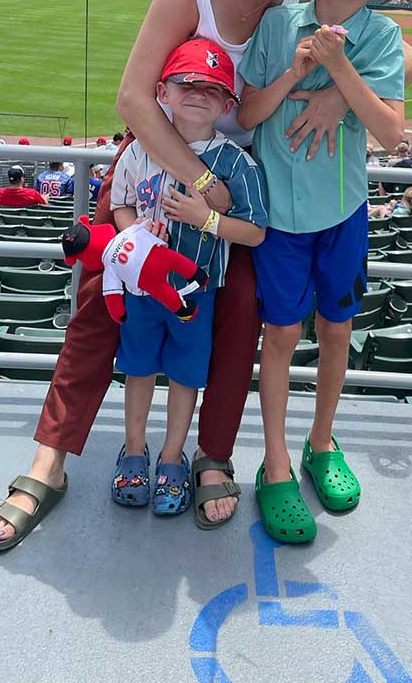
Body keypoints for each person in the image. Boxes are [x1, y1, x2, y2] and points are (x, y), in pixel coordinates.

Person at [0, 0, 412, 548]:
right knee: (104, 297)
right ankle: (52, 460)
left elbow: (409, 58)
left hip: (243, 192)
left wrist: (340, 91)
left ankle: (212, 457)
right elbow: (133, 98)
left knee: (242, 309)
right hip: (160, 167)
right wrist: (197, 182)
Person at [238, 0, 405, 543]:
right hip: (281, 218)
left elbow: (391, 133)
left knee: (337, 331)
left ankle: (322, 441)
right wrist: (297, 68)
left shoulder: (382, 35)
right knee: (279, 339)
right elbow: (250, 115)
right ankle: (275, 463)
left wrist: (340, 79)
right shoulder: (281, 25)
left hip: (343, 213)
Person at [108, 39, 267, 517]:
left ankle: (173, 456)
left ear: (227, 104)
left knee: (183, 376)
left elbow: (256, 232)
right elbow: (120, 203)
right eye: (186, 83)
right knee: (137, 369)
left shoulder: (236, 163)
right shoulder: (139, 149)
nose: (198, 94)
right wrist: (134, 231)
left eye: (212, 89)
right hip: (140, 287)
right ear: (163, 91)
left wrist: (207, 220)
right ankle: (134, 448)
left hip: (196, 293)